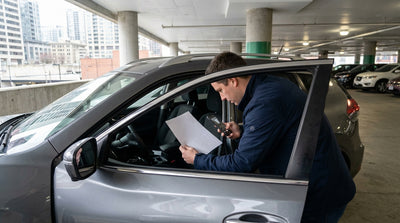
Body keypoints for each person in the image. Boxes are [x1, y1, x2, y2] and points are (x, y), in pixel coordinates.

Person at [179, 51, 355, 222]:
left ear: (233, 81)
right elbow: (276, 128)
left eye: (220, 90)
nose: (222, 98)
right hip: (313, 183)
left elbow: (242, 164)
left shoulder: (265, 101)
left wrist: (197, 159)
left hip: (317, 193)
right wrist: (243, 131)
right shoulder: (268, 85)